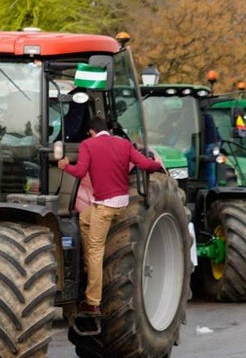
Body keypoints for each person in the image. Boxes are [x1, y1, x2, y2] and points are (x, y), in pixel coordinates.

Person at [57, 115, 167, 315]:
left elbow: (80, 172)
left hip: (104, 207)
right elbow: (144, 163)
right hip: (120, 204)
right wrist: (157, 165)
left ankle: (93, 302)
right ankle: (87, 262)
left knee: (96, 251)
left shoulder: (88, 145)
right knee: (84, 219)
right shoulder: (123, 144)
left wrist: (65, 166)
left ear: (91, 131)